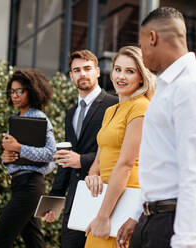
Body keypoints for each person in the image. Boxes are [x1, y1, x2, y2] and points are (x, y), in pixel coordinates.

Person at [116, 7, 196, 248]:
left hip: (179, 223)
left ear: (153, 38)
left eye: (142, 44)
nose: (142, 54)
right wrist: (138, 214)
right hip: (157, 218)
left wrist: (187, 243)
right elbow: (160, 164)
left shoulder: (194, 86)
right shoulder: (168, 87)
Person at [78, 46, 155, 248]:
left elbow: (126, 164)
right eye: (118, 69)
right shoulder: (110, 110)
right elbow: (99, 157)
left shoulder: (141, 106)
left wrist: (103, 217)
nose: (121, 76)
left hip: (124, 198)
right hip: (103, 197)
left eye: (130, 71)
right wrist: (92, 174)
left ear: (141, 77)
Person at [42, 50, 118, 248]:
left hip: (104, 196)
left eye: (87, 69)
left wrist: (82, 160)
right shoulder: (71, 113)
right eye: (77, 70)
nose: (82, 74)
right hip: (75, 201)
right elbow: (66, 159)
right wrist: (54, 200)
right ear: (71, 76)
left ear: (98, 71)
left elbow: (118, 151)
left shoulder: (114, 104)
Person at [0, 69, 56, 248]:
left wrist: (18, 148)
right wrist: (6, 157)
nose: (15, 95)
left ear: (32, 91)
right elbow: (11, 159)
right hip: (19, 184)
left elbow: (51, 153)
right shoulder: (15, 119)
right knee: (34, 241)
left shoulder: (40, 118)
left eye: (20, 91)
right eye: (12, 92)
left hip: (30, 186)